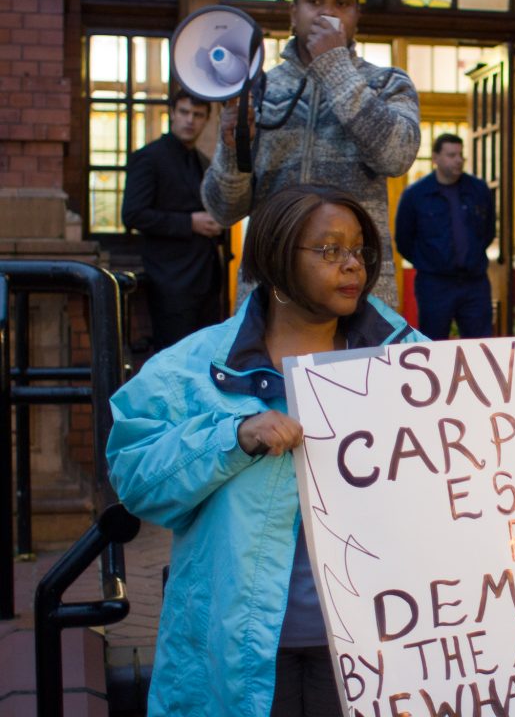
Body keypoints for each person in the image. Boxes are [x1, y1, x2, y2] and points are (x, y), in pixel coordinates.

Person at [107, 184, 426, 716]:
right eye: (329, 250)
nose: (352, 266)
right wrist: (232, 438)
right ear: (277, 258)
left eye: (359, 251)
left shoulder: (411, 360)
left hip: (374, 642)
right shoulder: (190, 367)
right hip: (244, 650)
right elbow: (136, 479)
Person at [201, 0, 420, 309]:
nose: (326, 13)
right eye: (314, 1)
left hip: (358, 292)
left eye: (342, 3)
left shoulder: (387, 83)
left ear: (356, 17)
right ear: (293, 14)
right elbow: (223, 210)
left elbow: (396, 157)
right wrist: (231, 149)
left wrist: (334, 66)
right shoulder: (258, 88)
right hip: (272, 293)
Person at [122, 89, 224, 350]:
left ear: (207, 120)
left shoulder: (202, 161)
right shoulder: (149, 157)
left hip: (206, 280)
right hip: (170, 281)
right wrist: (190, 223)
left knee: (204, 359)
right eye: (184, 112)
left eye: (198, 115)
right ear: (172, 114)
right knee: (175, 359)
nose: (190, 120)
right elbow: (133, 214)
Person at [394, 133, 495, 340]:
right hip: (434, 284)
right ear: (435, 158)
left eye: (460, 155)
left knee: (480, 344)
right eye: (451, 155)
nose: (458, 160)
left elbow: (488, 231)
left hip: (474, 282)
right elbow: (404, 239)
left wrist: (472, 256)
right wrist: (429, 261)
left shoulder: (478, 190)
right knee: (434, 344)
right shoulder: (416, 195)